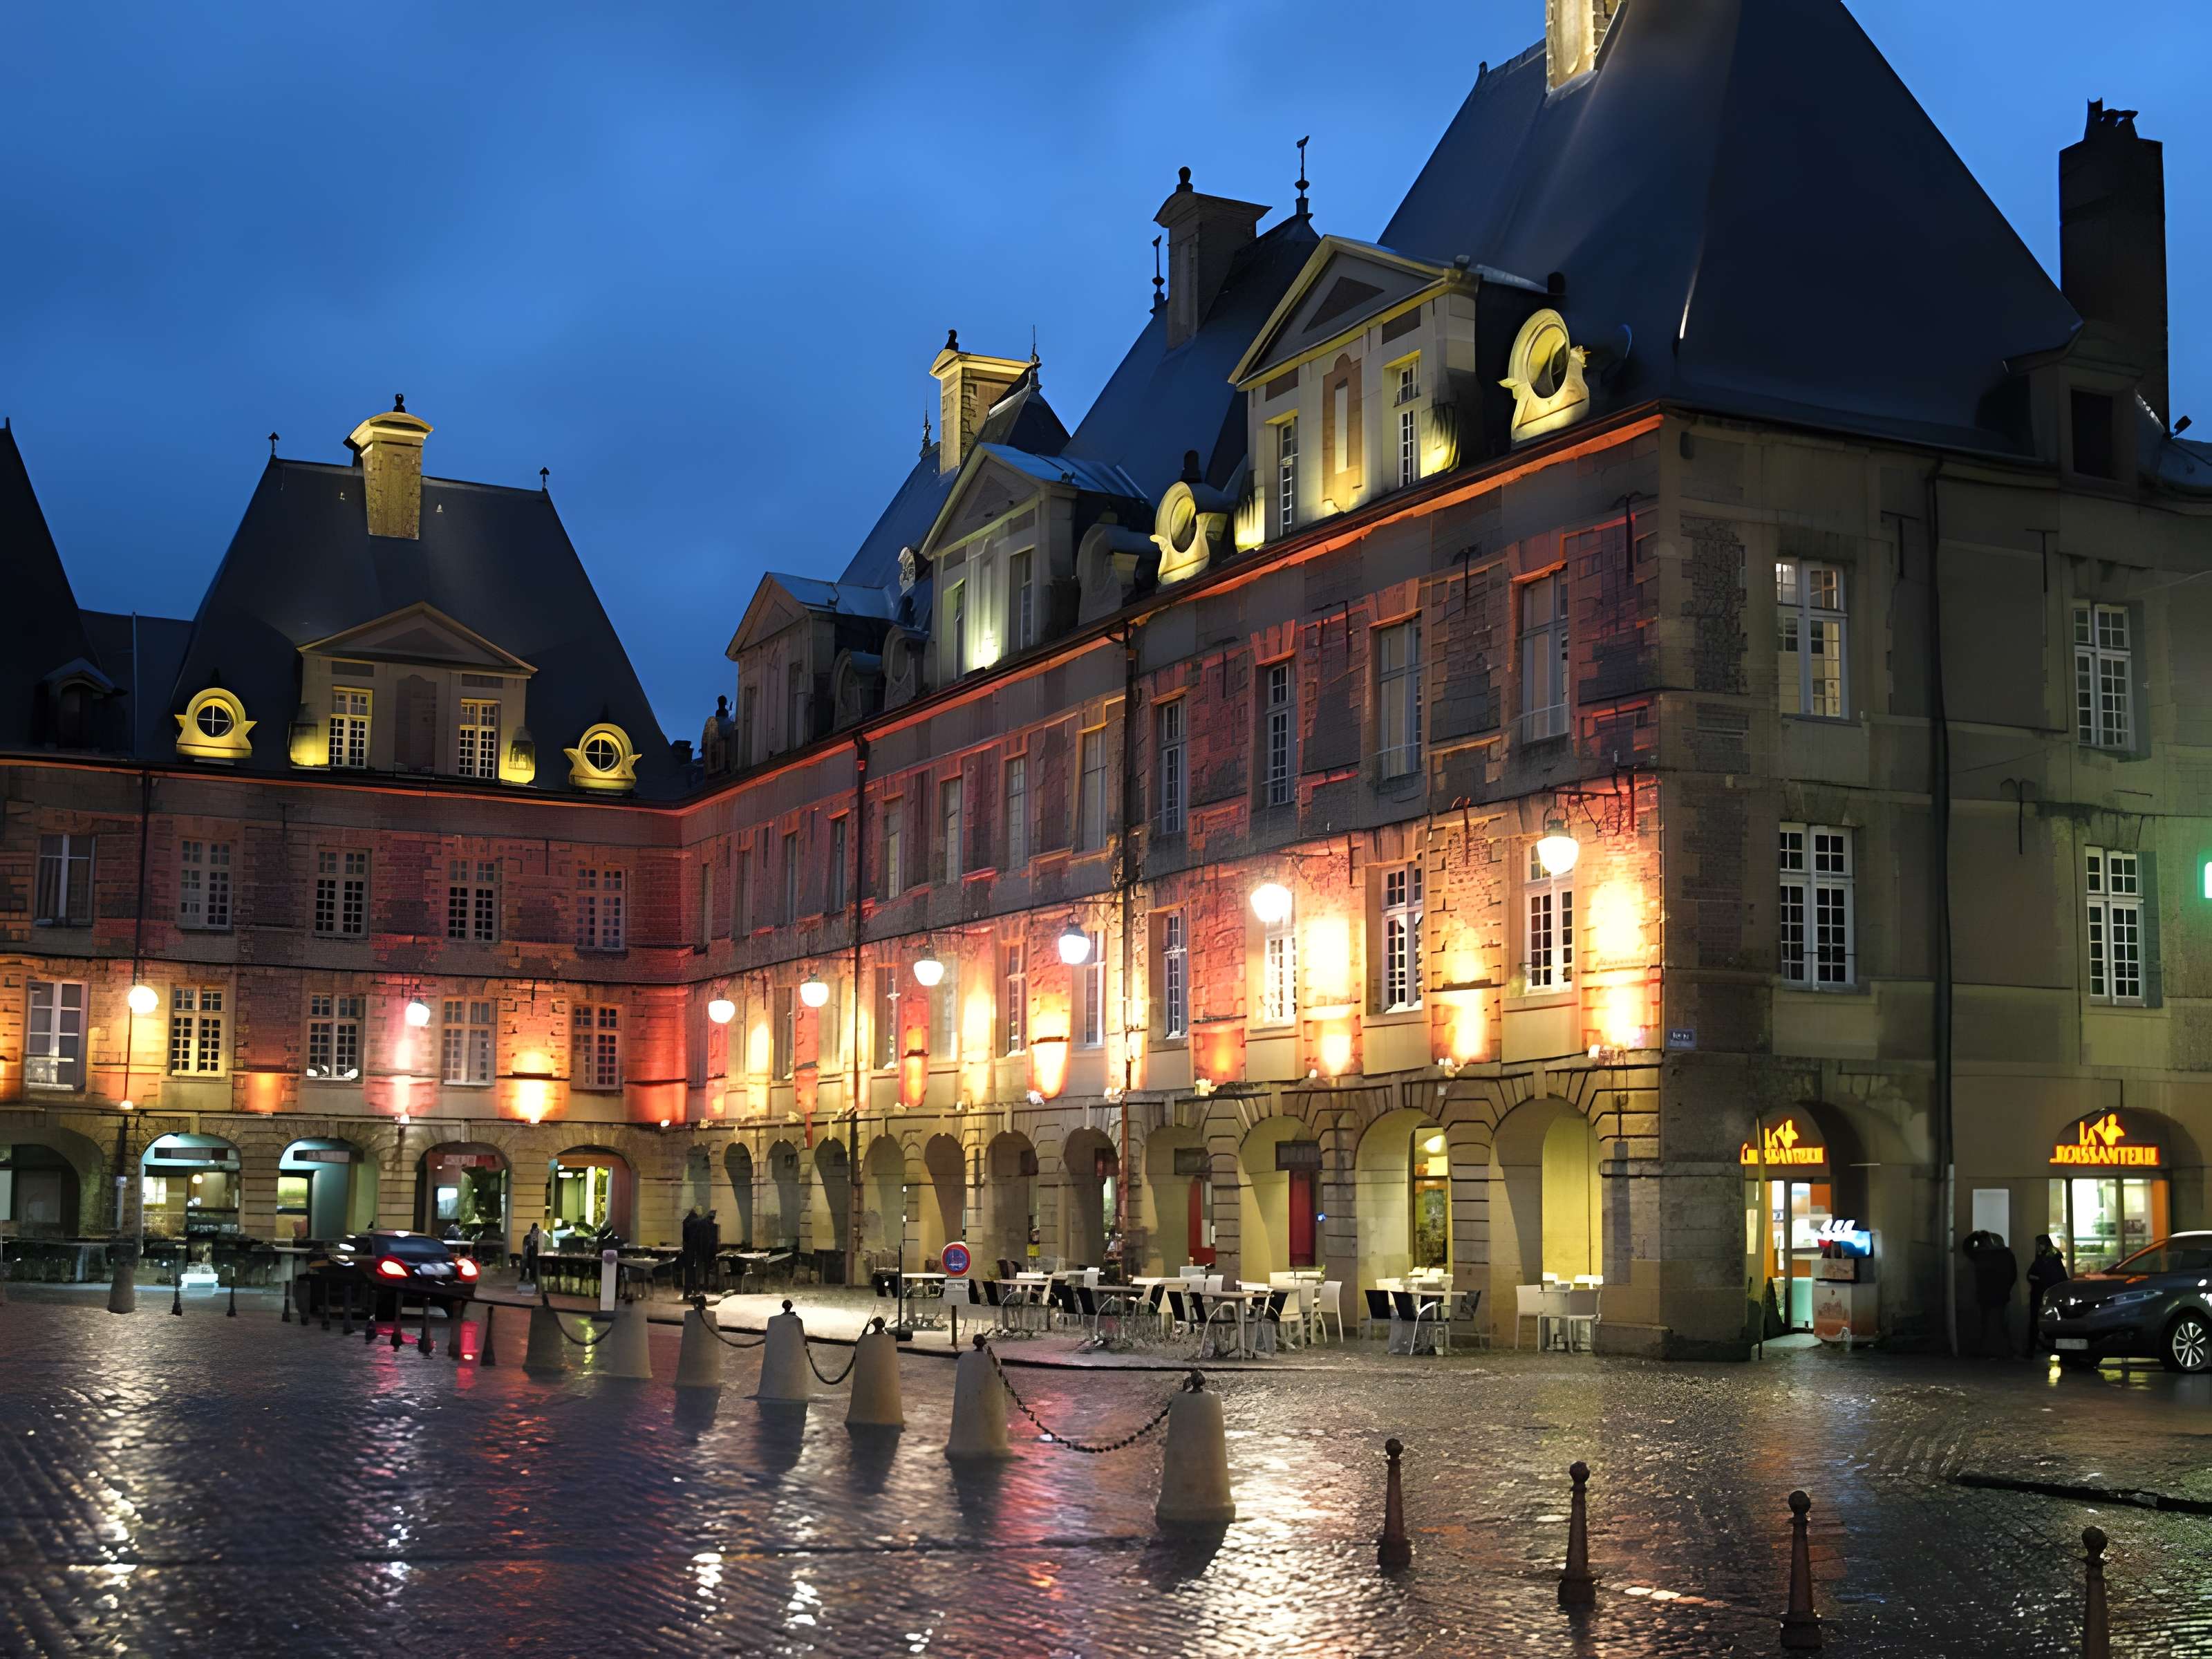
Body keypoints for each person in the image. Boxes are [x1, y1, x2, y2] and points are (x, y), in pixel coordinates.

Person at [1965, 1230, 2019, 1357]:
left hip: (1984, 1294)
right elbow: (2013, 1275)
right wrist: (2006, 1288)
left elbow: (1966, 1247)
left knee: (1985, 1324)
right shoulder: (2006, 1254)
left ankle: (1986, 1350)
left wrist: (1976, 1235)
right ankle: (2005, 1351)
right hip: (2001, 1294)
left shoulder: (1980, 1254)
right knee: (2001, 1323)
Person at [2025, 1234, 2069, 1356]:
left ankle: (2032, 1349)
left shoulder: (2044, 1259)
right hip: (2047, 1294)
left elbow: (2032, 1275)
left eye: (2040, 1244)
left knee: (2036, 1322)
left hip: (2041, 1294)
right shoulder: (2052, 1258)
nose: (2038, 1247)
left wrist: (2038, 1279)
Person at [679, 1206, 702, 1296]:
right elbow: (699, 1237)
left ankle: (687, 1291)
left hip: (688, 1249)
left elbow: (685, 1237)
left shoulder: (686, 1221)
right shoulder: (697, 1222)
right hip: (695, 1249)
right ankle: (696, 1290)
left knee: (688, 1270)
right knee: (696, 1270)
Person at [700, 1208, 721, 1295]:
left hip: (708, 1250)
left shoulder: (708, 1226)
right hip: (709, 1250)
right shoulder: (712, 1227)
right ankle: (709, 1286)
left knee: (708, 1269)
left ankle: (708, 1285)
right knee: (709, 1269)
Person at [521, 1221, 543, 1287]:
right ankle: (530, 1278)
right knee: (530, 1265)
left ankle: (533, 1278)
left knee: (533, 1265)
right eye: (535, 1230)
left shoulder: (539, 1236)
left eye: (537, 1231)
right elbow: (525, 1247)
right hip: (531, 1254)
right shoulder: (528, 1237)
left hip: (536, 1254)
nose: (536, 1232)